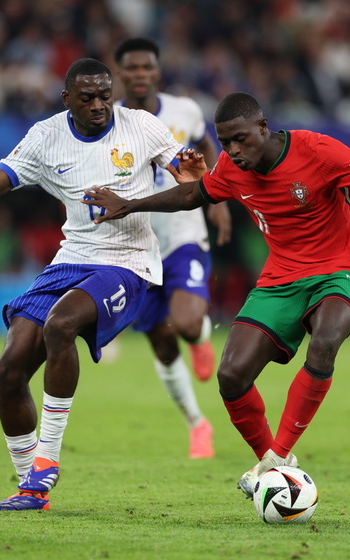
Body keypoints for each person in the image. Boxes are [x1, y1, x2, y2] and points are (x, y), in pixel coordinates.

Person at [82, 91, 350, 498]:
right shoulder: (233, 169)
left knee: (326, 339)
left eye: (241, 139)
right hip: (281, 278)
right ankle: (276, 463)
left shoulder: (319, 151)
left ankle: (274, 460)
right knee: (231, 376)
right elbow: (194, 193)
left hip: (341, 268)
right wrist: (129, 204)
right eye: (225, 142)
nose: (232, 152)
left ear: (264, 128)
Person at [0, 58, 201, 511]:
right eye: (88, 98)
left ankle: (47, 460)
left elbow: (192, 187)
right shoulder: (46, 137)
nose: (99, 105)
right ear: (67, 100)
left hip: (128, 262)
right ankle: (30, 489)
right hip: (72, 258)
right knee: (8, 370)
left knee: (60, 325)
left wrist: (185, 179)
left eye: (104, 95)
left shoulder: (141, 127)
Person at [114, 37, 232, 459]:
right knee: (162, 346)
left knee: (184, 324)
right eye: (132, 68)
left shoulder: (184, 111)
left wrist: (216, 197)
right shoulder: (108, 122)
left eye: (147, 67)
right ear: (120, 73)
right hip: (134, 245)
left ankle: (199, 335)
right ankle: (198, 425)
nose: (140, 75)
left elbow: (206, 146)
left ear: (157, 71)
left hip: (183, 232)